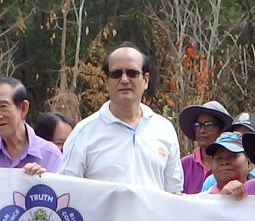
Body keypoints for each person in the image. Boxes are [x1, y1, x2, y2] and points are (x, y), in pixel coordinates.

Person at [59, 44, 183, 192]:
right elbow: (64, 190)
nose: (124, 80)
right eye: (116, 74)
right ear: (106, 81)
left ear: (146, 80)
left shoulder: (164, 129)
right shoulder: (83, 133)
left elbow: (174, 194)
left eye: (132, 73)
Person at [177, 100, 232, 193]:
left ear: (222, 130)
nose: (202, 130)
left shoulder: (230, 164)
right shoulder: (185, 165)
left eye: (208, 125)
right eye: (198, 125)